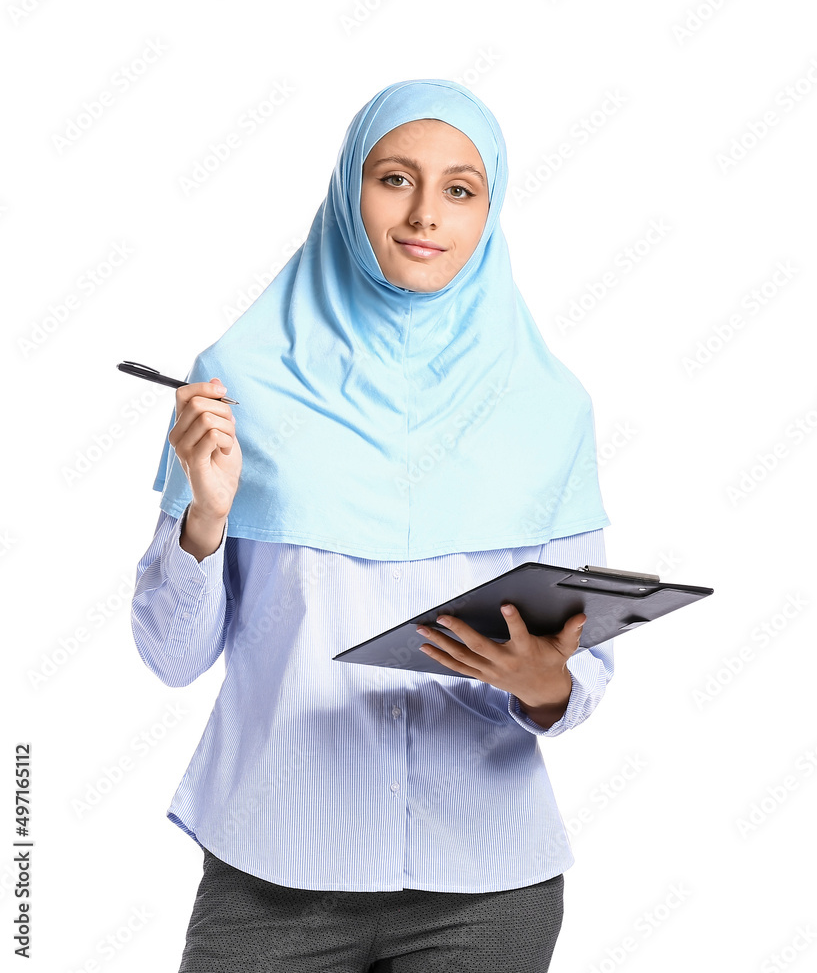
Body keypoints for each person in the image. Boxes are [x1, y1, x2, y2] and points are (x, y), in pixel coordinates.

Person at [131, 78, 614, 973]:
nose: (425, 213)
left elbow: (581, 675)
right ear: (349, 186)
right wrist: (205, 515)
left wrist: (544, 681)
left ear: (489, 210)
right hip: (273, 866)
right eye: (394, 178)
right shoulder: (236, 385)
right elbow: (171, 657)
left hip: (487, 880)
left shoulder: (548, 408)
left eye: (460, 189)